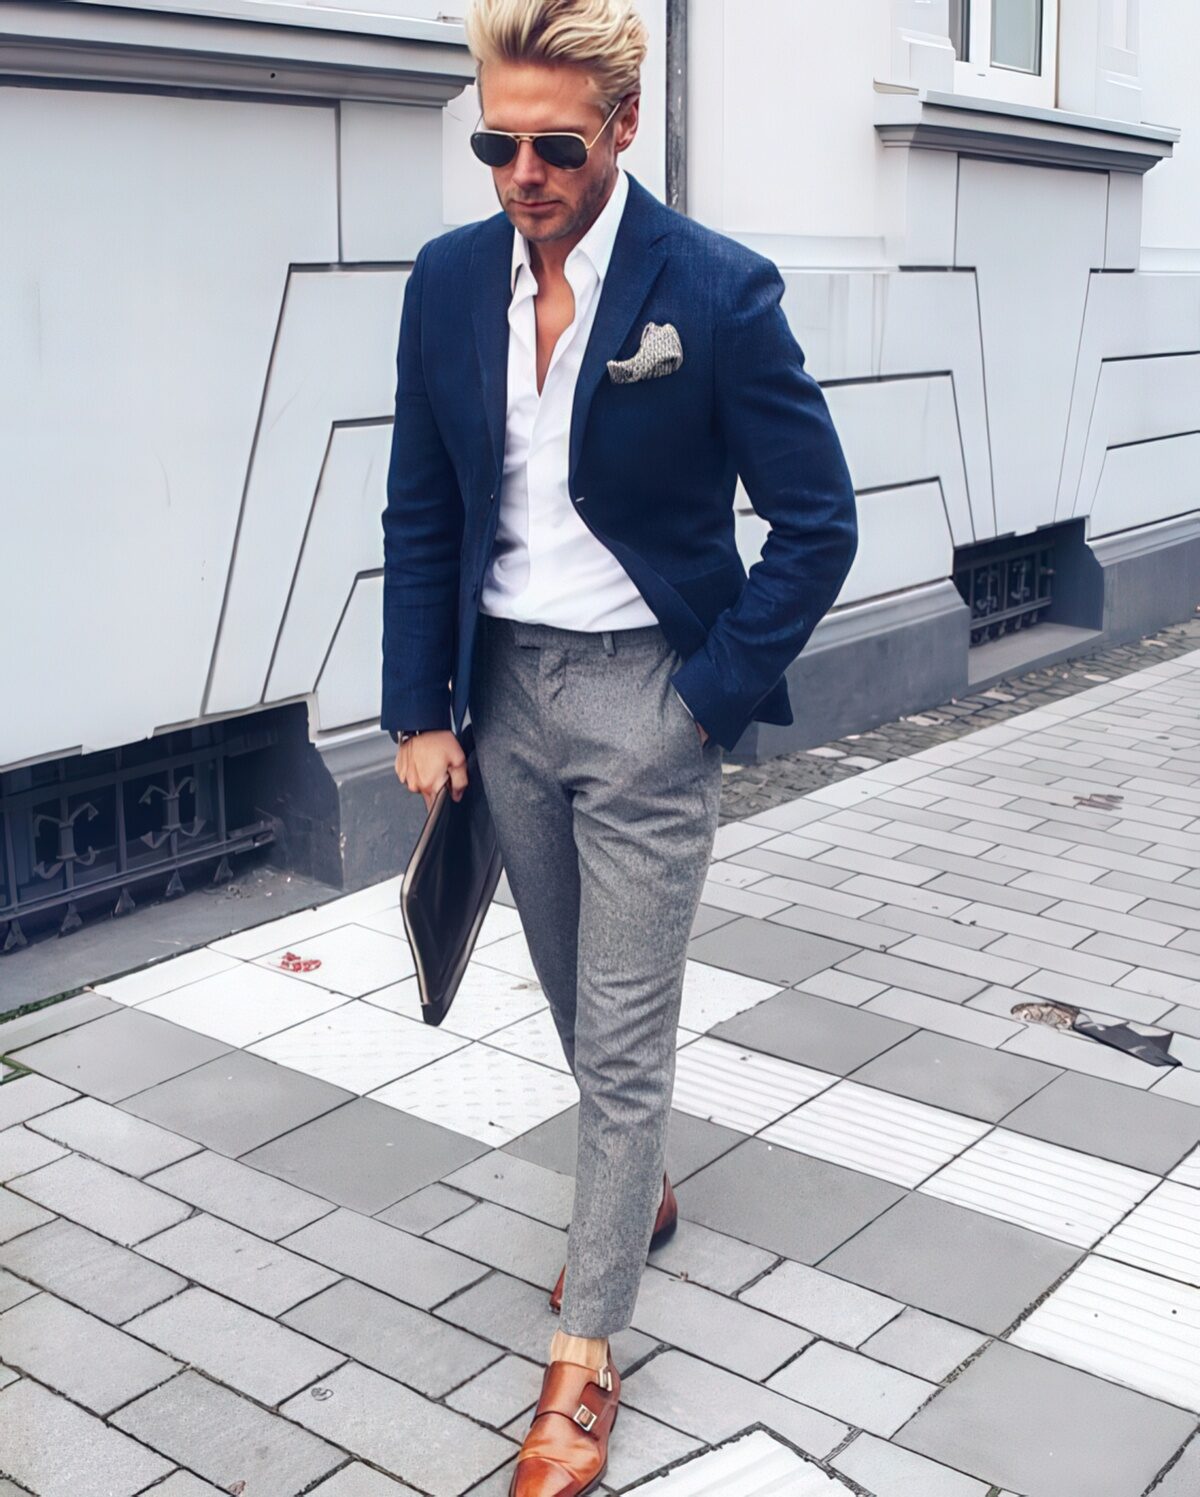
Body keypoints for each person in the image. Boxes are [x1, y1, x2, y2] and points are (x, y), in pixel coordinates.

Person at [381, 2, 858, 1490]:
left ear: (624, 131)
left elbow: (817, 520)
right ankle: (631, 1186)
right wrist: (419, 706)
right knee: (574, 989)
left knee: (630, 1024)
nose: (522, 173)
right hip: (503, 689)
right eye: (496, 142)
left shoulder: (711, 291)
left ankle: (581, 1366)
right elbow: (424, 505)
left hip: (650, 699)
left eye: (555, 146)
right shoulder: (448, 279)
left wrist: (706, 699)